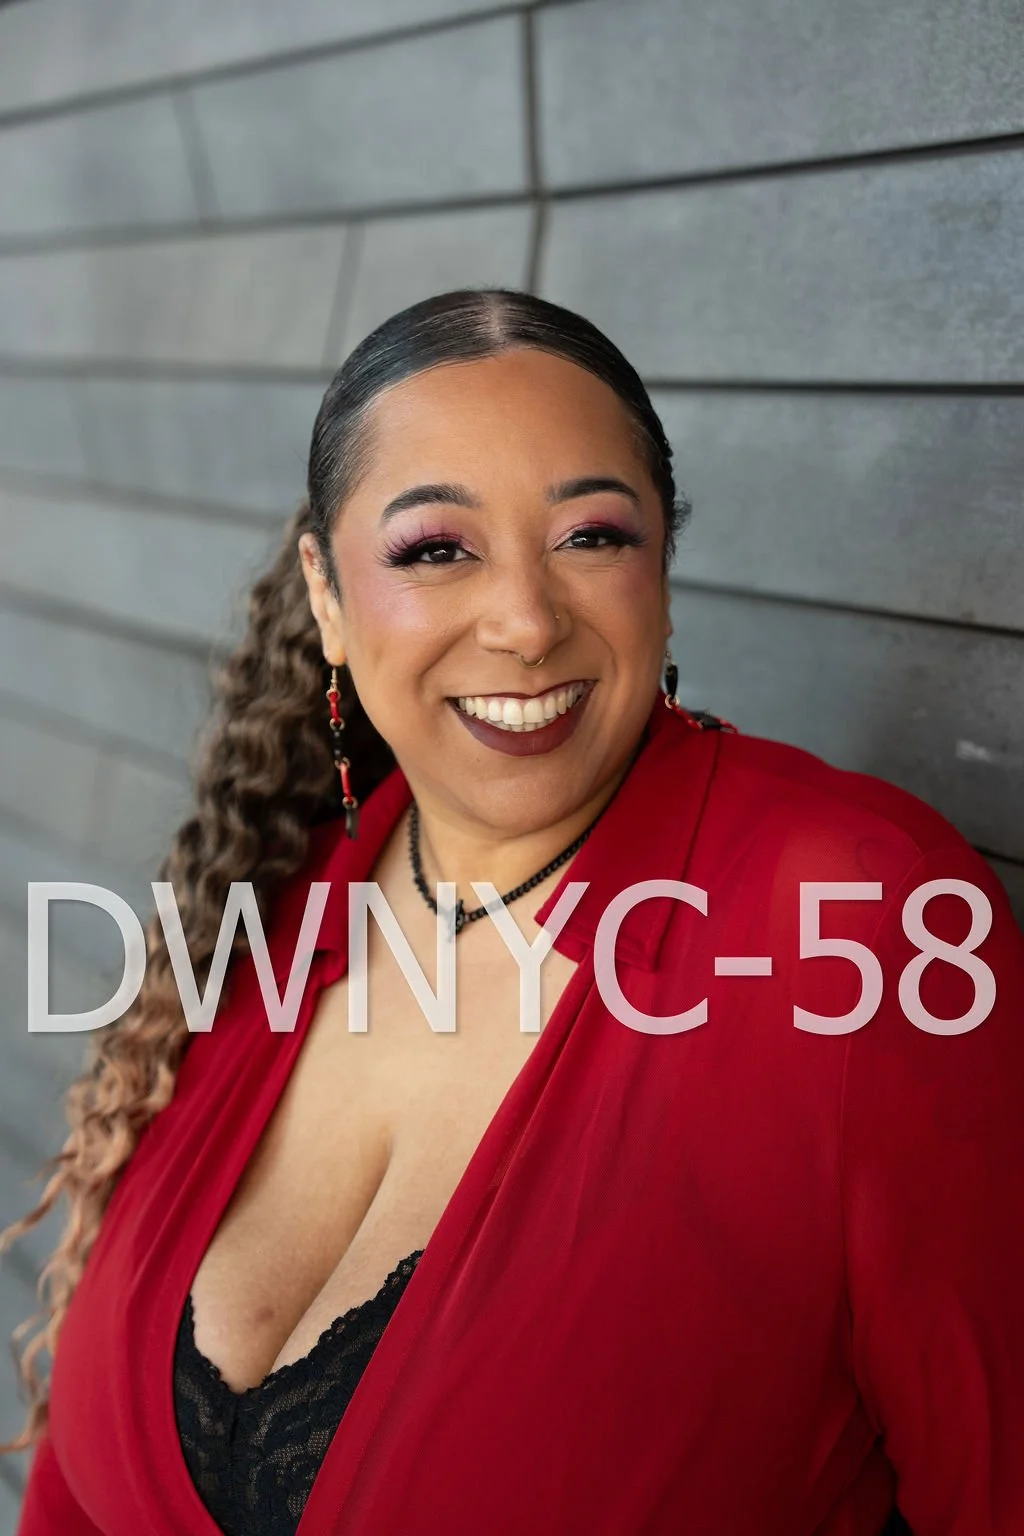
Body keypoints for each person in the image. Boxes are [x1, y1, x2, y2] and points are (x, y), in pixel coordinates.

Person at [2, 288, 1022, 1536]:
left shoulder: (851, 917)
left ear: (662, 566)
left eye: (590, 535)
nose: (528, 623)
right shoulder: (283, 903)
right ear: (327, 593)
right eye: (437, 549)